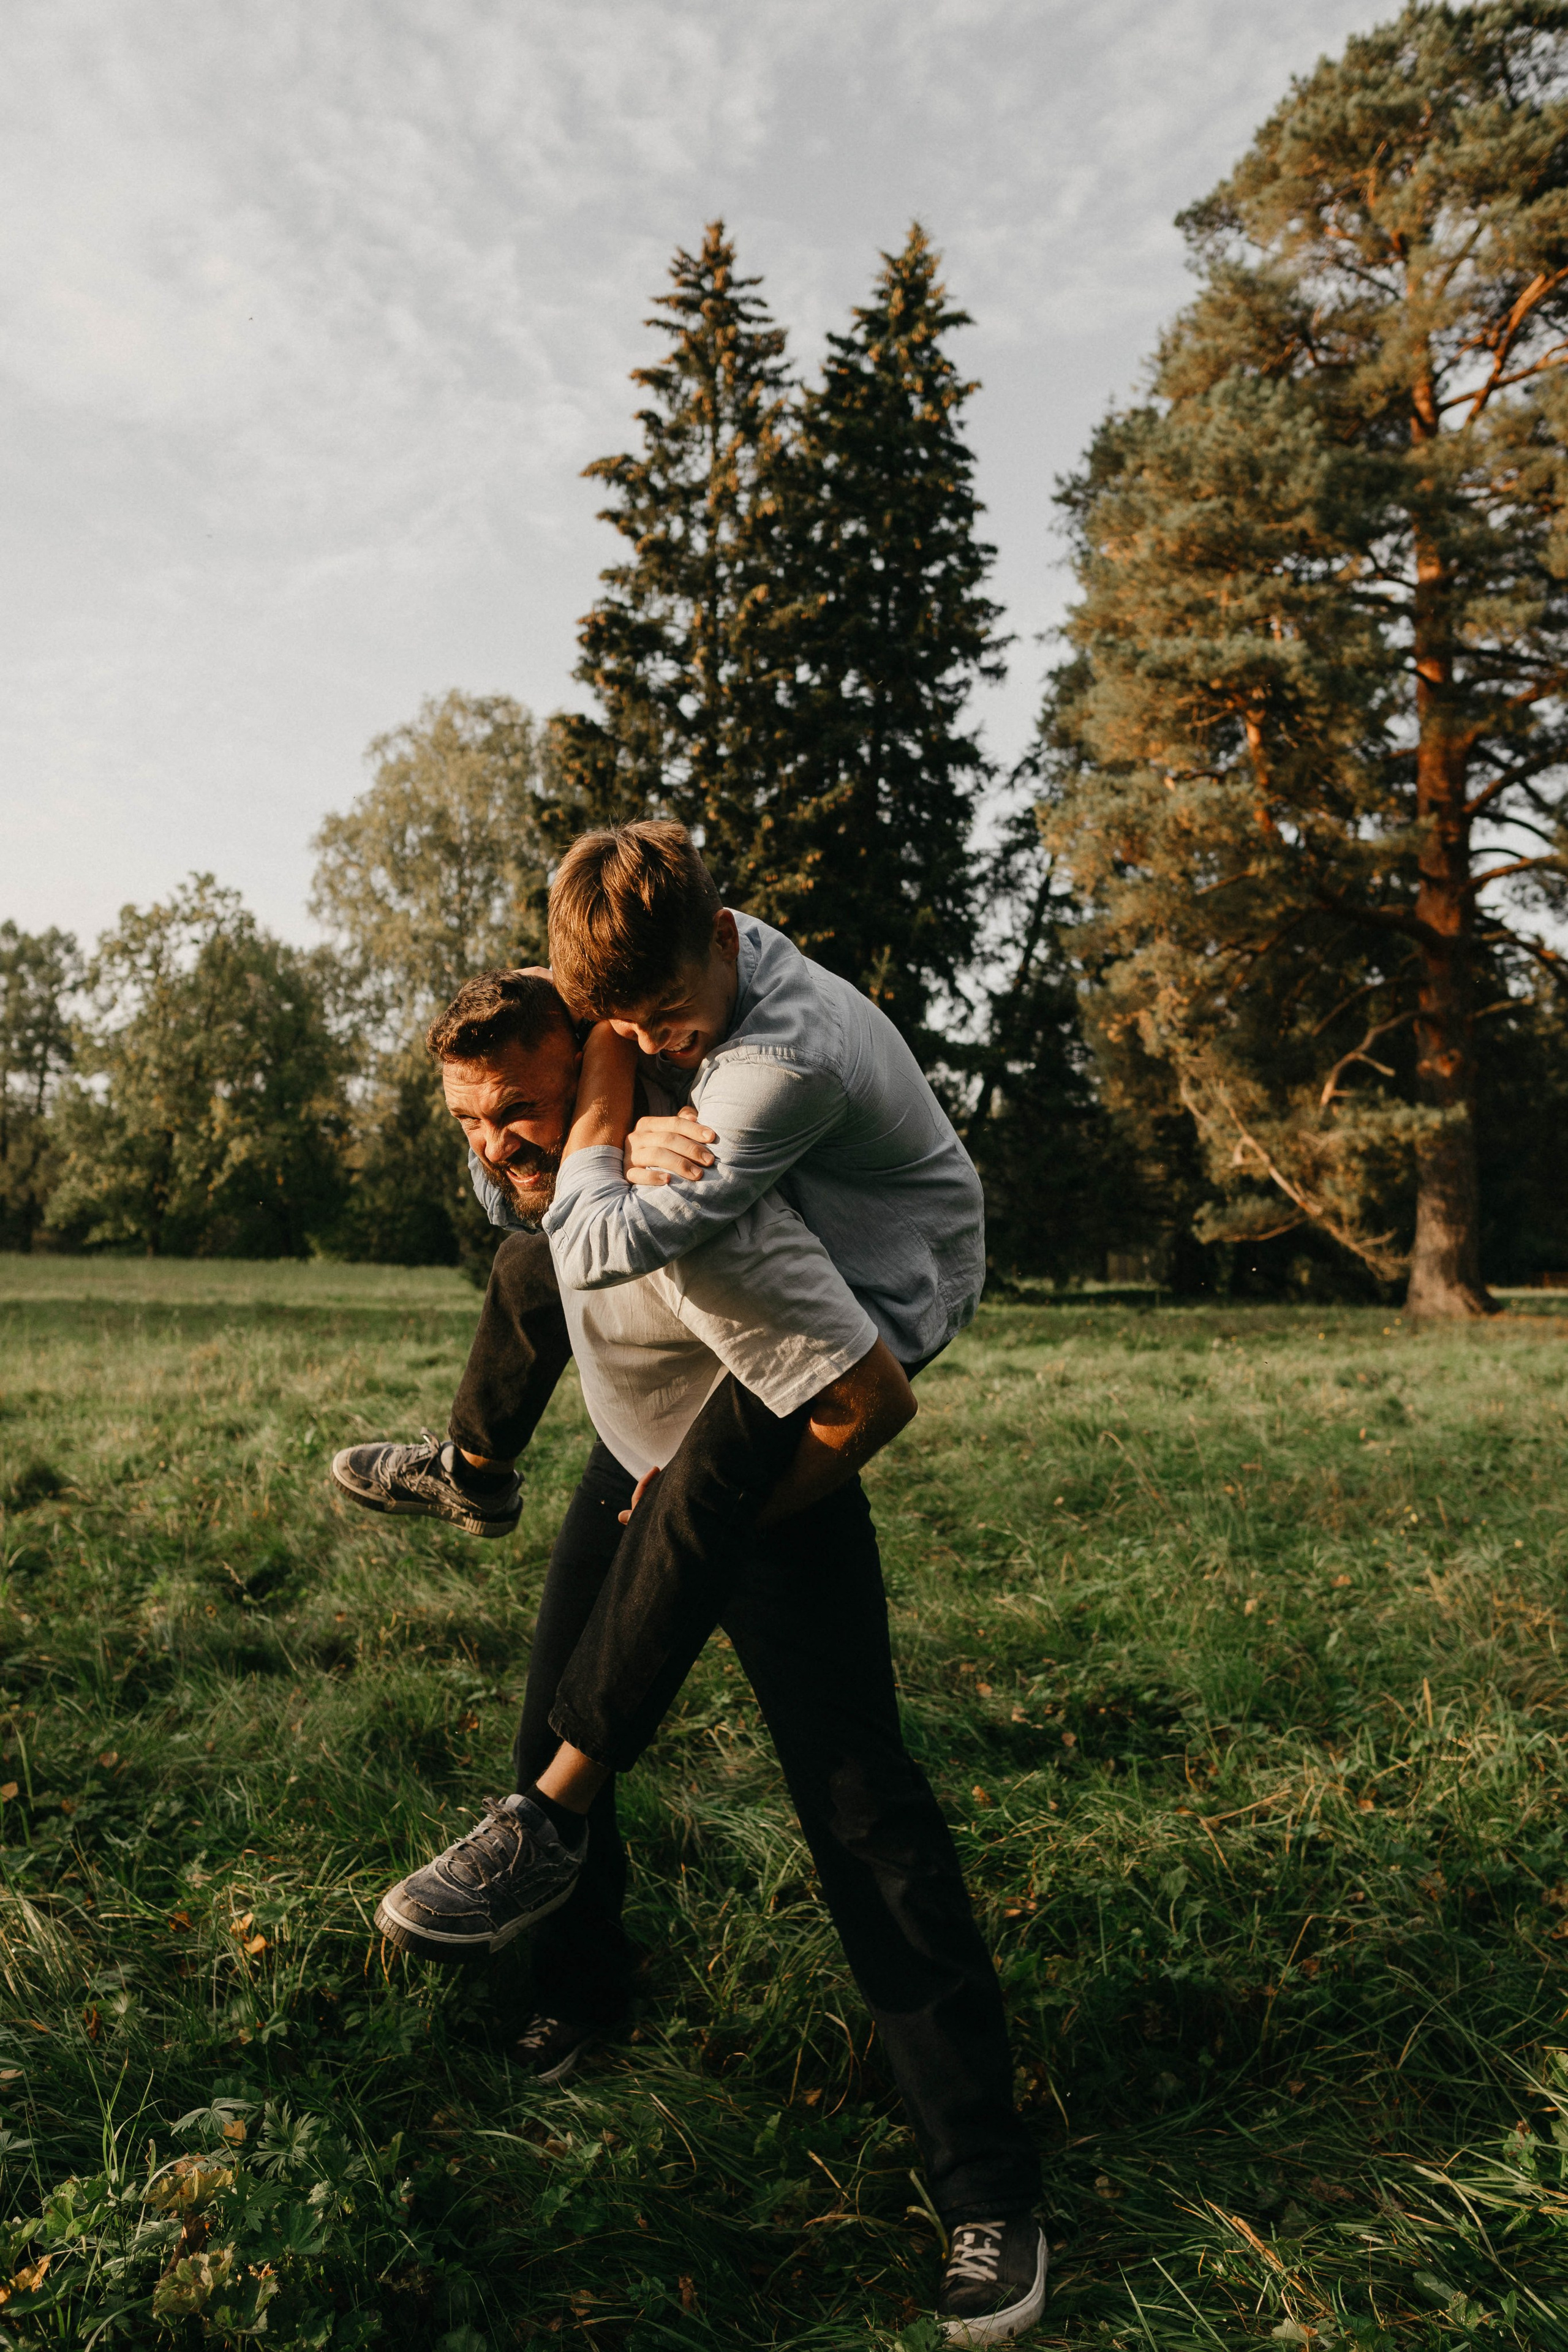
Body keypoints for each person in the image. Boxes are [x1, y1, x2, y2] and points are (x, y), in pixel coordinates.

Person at [343, 960, 1046, 2344]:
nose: (493, 1147)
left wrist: (707, 1523)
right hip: (632, 1456)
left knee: (863, 1817)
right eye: (469, 1119)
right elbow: (531, 1198)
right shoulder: (567, 1146)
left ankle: (988, 2187)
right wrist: (571, 1118)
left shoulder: (702, 1191)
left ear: (601, 1062)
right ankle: (583, 1991)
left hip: (763, 1485)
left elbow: (865, 1399)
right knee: (547, 1737)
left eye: (517, 1113)